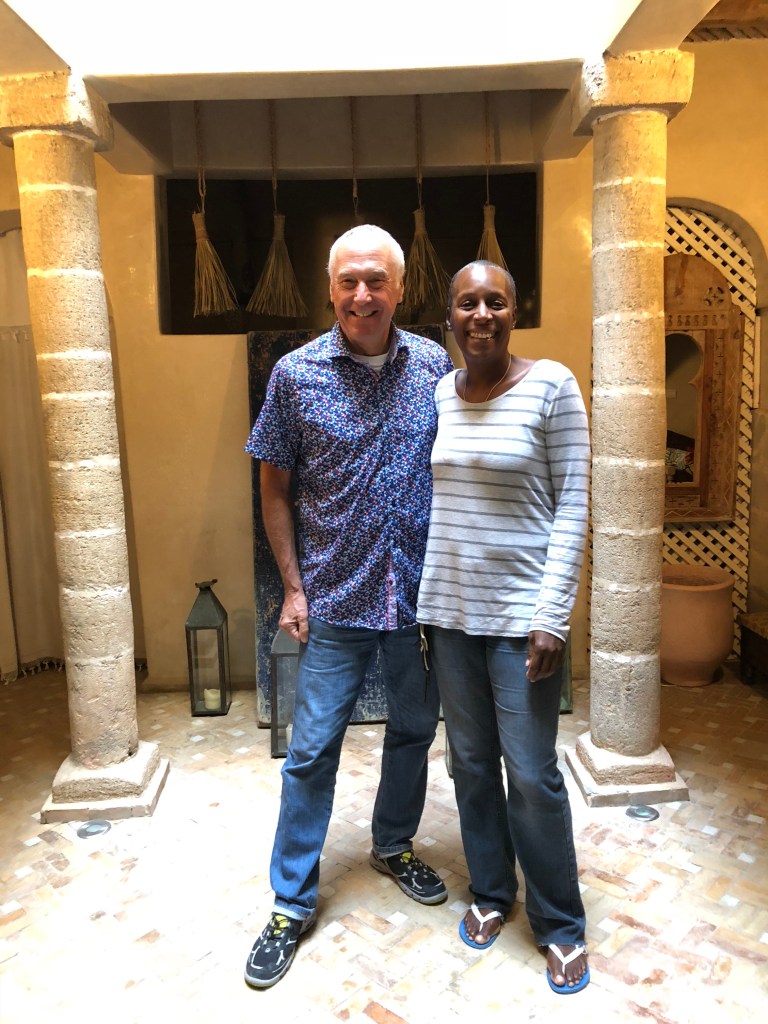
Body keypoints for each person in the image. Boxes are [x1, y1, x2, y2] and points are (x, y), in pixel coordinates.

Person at [243, 224, 454, 989]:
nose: (362, 296)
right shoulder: (295, 376)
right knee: (310, 753)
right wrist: (294, 588)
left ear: (400, 288)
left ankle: (393, 844)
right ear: (330, 288)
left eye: (376, 281)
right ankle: (290, 902)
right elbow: (274, 486)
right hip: (335, 597)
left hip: (418, 600)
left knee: (413, 732)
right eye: (348, 282)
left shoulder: (435, 365)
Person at [417, 260, 591, 994]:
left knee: (531, 772)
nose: (481, 314)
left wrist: (553, 616)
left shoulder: (552, 386)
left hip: (524, 620)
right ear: (450, 318)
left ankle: (560, 923)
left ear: (515, 311)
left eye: (495, 301)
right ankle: (491, 890)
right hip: (451, 613)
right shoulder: (441, 393)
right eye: (467, 303)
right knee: (468, 763)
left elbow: (573, 504)